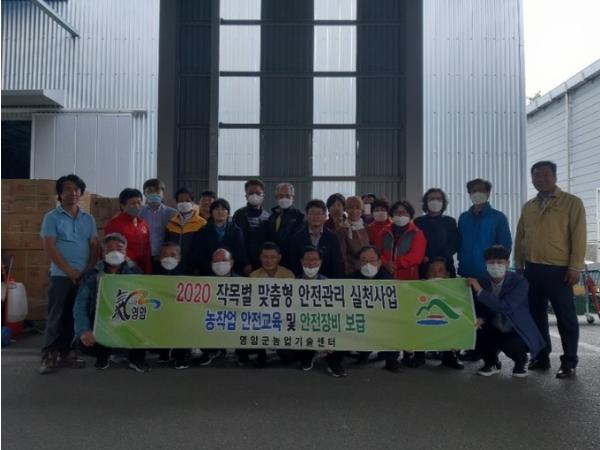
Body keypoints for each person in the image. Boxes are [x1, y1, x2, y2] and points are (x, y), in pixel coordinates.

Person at [515, 161, 587, 379]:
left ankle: (569, 362)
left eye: (545, 175)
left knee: (565, 317)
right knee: (536, 315)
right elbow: (520, 237)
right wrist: (519, 264)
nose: (541, 179)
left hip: (560, 270)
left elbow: (579, 236)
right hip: (532, 269)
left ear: (555, 177)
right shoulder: (528, 206)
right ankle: (541, 356)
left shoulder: (571, 203)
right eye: (536, 176)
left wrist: (575, 266)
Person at [39, 174, 99, 374]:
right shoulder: (52, 217)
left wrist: (88, 270)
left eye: (76, 189)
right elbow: (49, 247)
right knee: (55, 316)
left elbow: (94, 246)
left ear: (81, 193)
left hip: (83, 276)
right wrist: (69, 270)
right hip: (60, 275)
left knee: (75, 315)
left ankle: (67, 353)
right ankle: (49, 355)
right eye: (67, 189)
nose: (73, 193)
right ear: (60, 193)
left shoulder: (88, 219)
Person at [73, 233, 148, 372]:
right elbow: (80, 305)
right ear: (103, 253)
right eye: (109, 249)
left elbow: (145, 302)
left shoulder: (136, 273)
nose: (114, 252)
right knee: (82, 343)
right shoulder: (92, 275)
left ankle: (136, 358)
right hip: (103, 322)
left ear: (125, 252)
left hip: (128, 322)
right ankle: (103, 355)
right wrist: (84, 330)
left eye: (119, 249)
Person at [467, 246, 546, 378]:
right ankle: (492, 363)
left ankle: (521, 361)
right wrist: (481, 318)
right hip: (493, 326)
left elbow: (506, 307)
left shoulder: (520, 281)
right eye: (491, 262)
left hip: (514, 329)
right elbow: (480, 307)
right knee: (476, 333)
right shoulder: (482, 281)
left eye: (500, 262)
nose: (495, 265)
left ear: (508, 264)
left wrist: (480, 291)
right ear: (485, 264)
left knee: (511, 345)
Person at [238, 242, 295, 368]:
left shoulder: (288, 275)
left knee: (288, 358)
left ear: (279, 258)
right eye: (265, 257)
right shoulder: (253, 276)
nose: (269, 261)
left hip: (282, 319)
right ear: (260, 257)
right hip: (261, 318)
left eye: (272, 257)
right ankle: (261, 355)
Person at [351, 246, 401, 374]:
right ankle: (363, 353)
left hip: (383, 318)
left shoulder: (388, 280)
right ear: (358, 263)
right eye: (363, 260)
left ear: (379, 262)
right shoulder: (350, 279)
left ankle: (391, 360)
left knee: (394, 326)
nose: (368, 264)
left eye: (372, 260)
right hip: (361, 318)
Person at [457, 179, 512, 279]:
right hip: (465, 272)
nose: (477, 193)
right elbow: (459, 243)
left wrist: (497, 269)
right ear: (469, 194)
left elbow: (505, 246)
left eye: (481, 190)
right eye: (474, 191)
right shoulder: (463, 218)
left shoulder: (498, 217)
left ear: (488, 193)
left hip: (489, 274)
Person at [418, 257, 464, 370]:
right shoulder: (417, 290)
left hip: (445, 324)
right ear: (427, 275)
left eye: (440, 271)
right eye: (432, 271)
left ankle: (449, 357)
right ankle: (418, 356)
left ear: (447, 275)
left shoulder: (456, 292)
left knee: (456, 321)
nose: (435, 274)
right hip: (424, 324)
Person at [289, 246, 328, 372]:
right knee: (286, 355)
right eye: (307, 259)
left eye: (315, 259)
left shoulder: (329, 284)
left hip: (321, 324)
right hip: (299, 325)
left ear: (320, 262)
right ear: (301, 261)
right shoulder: (292, 283)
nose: (311, 263)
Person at [197, 248, 239, 366]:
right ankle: (211, 351)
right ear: (211, 264)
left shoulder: (243, 282)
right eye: (216, 261)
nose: (220, 264)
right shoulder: (203, 283)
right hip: (212, 320)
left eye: (224, 260)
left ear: (232, 262)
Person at [152, 242, 191, 369]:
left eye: (173, 255)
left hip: (180, 312)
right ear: (159, 257)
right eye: (164, 254)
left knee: (182, 325)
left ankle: (181, 356)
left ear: (179, 258)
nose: (168, 258)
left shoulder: (187, 276)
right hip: (160, 310)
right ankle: (164, 353)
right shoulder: (153, 275)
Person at [289, 200, 344, 279]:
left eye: (319, 214)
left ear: (325, 216)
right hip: (303, 281)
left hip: (327, 282)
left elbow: (337, 264)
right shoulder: (297, 237)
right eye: (312, 214)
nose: (315, 217)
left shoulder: (332, 237)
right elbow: (293, 263)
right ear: (306, 216)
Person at [192, 198, 247, 276]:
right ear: (211, 212)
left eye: (223, 209)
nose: (220, 212)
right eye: (216, 209)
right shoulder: (202, 231)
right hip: (207, 273)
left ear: (228, 213)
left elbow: (240, 254)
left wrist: (228, 267)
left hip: (231, 274)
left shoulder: (236, 231)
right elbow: (198, 254)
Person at [104, 188, 153, 274]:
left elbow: (147, 249)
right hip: (124, 271)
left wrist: (148, 271)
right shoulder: (114, 224)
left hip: (143, 270)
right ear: (122, 206)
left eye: (139, 202)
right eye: (133, 203)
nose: (137, 206)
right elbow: (109, 250)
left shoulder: (143, 224)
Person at [414, 188, 458, 278]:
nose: (435, 201)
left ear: (443, 202)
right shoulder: (418, 222)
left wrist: (441, 258)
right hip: (425, 265)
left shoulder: (450, 221)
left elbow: (454, 243)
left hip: (446, 265)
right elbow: (415, 244)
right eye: (431, 199)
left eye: (438, 199)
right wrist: (424, 257)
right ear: (426, 202)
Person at [380, 200, 426, 280]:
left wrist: (395, 264)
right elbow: (377, 251)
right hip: (385, 274)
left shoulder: (417, 233)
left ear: (410, 216)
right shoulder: (384, 231)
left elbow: (416, 256)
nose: (400, 214)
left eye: (404, 212)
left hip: (408, 277)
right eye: (397, 212)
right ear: (392, 215)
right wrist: (385, 263)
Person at [232, 179, 271, 275]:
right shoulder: (239, 214)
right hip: (243, 267)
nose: (254, 195)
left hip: (264, 265)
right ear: (246, 196)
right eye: (251, 193)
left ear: (263, 195)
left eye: (258, 193)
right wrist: (245, 263)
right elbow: (237, 242)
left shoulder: (268, 216)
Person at [165, 187, 207, 274]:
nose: (184, 203)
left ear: (192, 202)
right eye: (181, 201)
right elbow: (166, 244)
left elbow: (204, 248)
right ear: (176, 203)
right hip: (173, 266)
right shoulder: (171, 223)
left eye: (187, 200)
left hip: (194, 268)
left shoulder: (202, 223)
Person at [139, 178, 177, 272]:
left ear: (163, 193)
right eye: (150, 191)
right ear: (144, 194)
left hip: (163, 257)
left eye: (157, 191)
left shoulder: (172, 213)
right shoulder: (139, 212)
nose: (154, 194)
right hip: (143, 256)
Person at [266, 183, 305, 269]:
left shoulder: (300, 217)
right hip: (274, 262)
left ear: (293, 197)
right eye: (281, 196)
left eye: (287, 196)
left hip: (293, 263)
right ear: (276, 197)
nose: (284, 199)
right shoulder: (272, 217)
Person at [337, 196, 370, 276]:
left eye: (358, 208)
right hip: (352, 272)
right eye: (350, 208)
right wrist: (348, 271)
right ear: (346, 210)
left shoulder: (367, 227)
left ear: (362, 210)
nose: (354, 211)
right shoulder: (342, 230)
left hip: (369, 269)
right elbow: (342, 256)